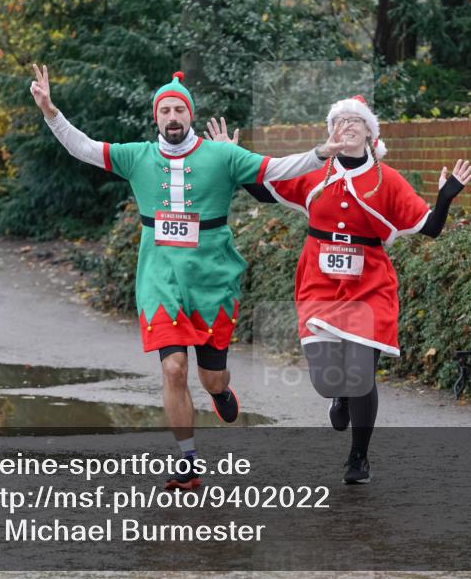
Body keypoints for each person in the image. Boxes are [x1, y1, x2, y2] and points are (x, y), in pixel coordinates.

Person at [30, 65, 347, 489]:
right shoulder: (137, 156)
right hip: (160, 279)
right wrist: (51, 112)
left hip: (213, 280)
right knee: (174, 368)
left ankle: (219, 392)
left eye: (180, 110)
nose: (173, 117)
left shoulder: (222, 156)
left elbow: (275, 168)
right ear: (156, 118)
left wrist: (320, 153)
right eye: (165, 111)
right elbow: (83, 147)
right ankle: (188, 460)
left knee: (210, 376)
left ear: (190, 115)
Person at [221, 95, 471, 484]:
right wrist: (232, 158)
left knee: (361, 377)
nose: (349, 125)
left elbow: (430, 227)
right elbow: (263, 189)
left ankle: (359, 458)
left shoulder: (387, 180)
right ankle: (337, 395)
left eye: (357, 120)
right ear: (331, 131)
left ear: (370, 132)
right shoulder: (313, 171)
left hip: (370, 286)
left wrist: (445, 196)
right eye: (341, 120)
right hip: (319, 285)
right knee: (327, 382)